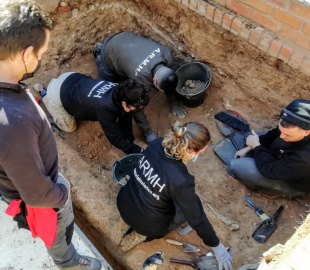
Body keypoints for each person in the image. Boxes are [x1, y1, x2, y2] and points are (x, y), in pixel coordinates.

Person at [0, 1, 101, 269]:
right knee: (59, 234)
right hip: (35, 194)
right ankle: (69, 263)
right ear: (26, 54)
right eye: (41, 54)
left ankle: (1, 189)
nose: (40, 59)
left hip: (1, 174)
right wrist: (62, 195)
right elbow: (38, 195)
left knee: (2, 175)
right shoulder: (13, 123)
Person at [116, 121, 233, 270]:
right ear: (191, 152)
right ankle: (139, 235)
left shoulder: (156, 144)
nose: (199, 155)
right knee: (189, 209)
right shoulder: (181, 181)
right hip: (147, 226)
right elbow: (197, 219)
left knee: (165, 196)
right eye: (200, 152)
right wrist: (217, 247)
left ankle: (123, 224)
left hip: (124, 200)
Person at [227, 99, 310, 196]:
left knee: (236, 166)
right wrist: (250, 147)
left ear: (306, 132)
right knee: (248, 137)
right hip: (298, 163)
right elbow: (276, 134)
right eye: (282, 131)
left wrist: (256, 146)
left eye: (287, 134)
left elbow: (270, 170)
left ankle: (257, 185)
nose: (282, 136)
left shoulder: (307, 158)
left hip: (298, 182)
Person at [93, 31, 184, 143]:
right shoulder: (139, 79)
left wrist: (175, 103)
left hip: (127, 37)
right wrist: (148, 133)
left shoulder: (166, 54)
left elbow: (170, 79)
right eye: (161, 90)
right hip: (110, 49)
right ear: (154, 80)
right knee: (111, 89)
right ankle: (99, 52)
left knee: (126, 70)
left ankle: (120, 62)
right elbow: (135, 106)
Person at [42, 72, 149, 155]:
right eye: (136, 108)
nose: (138, 110)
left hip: (70, 77)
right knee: (70, 128)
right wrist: (139, 152)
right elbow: (115, 139)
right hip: (56, 94)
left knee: (124, 112)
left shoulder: (121, 89)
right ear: (124, 103)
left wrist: (130, 140)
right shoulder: (104, 108)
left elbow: (125, 115)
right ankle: (44, 94)